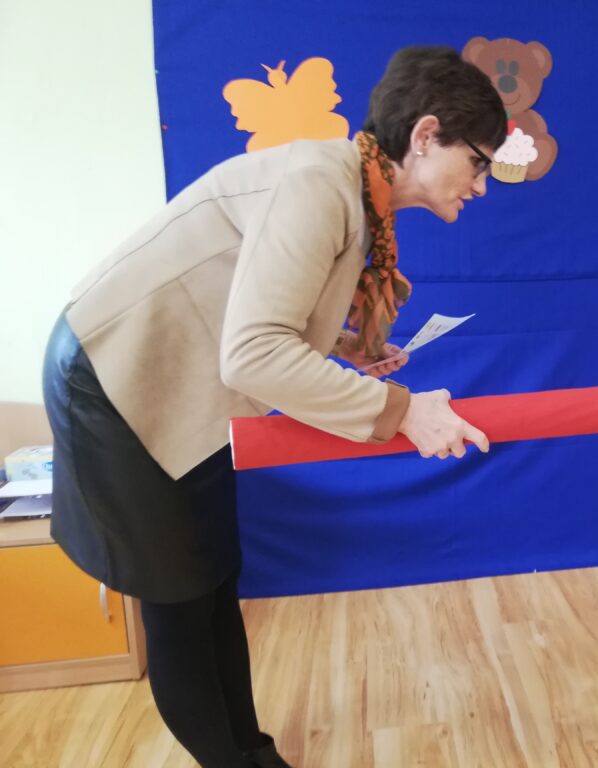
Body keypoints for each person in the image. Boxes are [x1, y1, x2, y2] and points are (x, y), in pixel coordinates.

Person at [41, 46, 506, 768]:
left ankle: (254, 755)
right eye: (478, 161)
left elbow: (261, 312)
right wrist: (403, 410)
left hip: (181, 383)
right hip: (116, 381)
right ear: (425, 136)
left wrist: (347, 350)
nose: (481, 184)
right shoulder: (320, 184)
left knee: (214, 579)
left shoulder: (352, 191)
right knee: (181, 600)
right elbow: (254, 354)